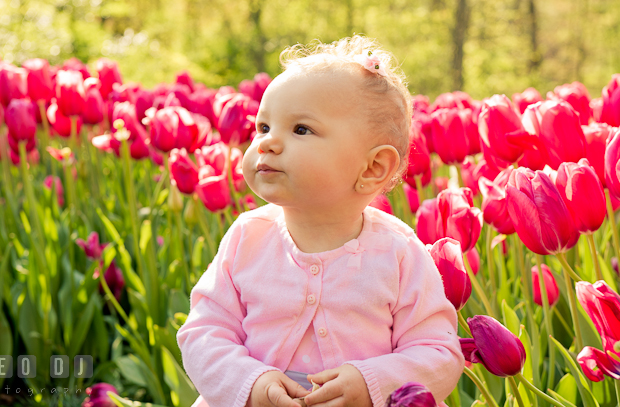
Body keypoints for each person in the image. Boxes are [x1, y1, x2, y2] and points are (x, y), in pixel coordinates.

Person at [176, 35, 464, 407]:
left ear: (374, 168)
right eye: (263, 127)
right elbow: (203, 332)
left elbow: (438, 352)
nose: (266, 143)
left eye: (300, 130)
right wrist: (252, 385)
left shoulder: (398, 251)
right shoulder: (247, 238)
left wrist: (371, 384)